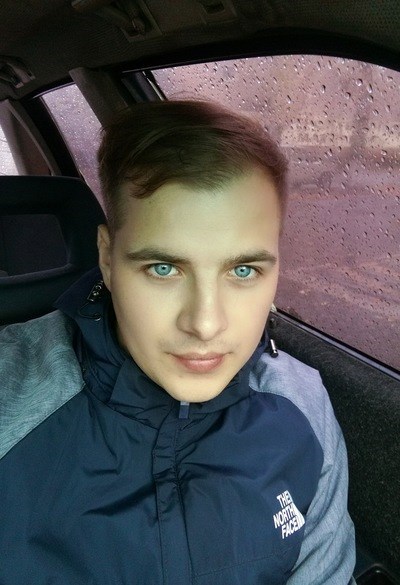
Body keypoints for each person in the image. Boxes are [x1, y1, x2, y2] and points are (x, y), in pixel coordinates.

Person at [0, 100, 355, 584]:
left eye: (243, 270)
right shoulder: (12, 399)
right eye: (163, 268)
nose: (205, 324)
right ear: (107, 258)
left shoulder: (303, 404)